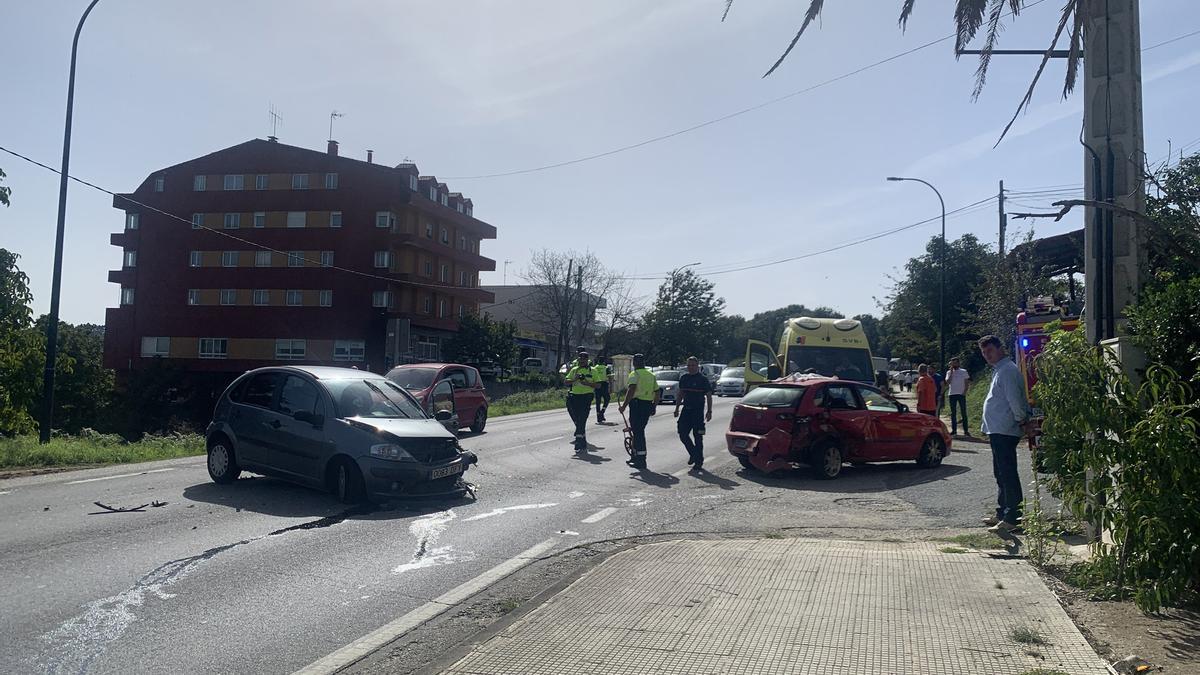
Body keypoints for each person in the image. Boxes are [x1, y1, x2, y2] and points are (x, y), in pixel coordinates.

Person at [978, 335, 1033, 533]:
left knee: (1007, 473)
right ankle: (1002, 513)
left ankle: (1013, 517)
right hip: (997, 429)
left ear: (1000, 348)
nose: (987, 356)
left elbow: (1014, 400)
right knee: (1000, 473)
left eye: (990, 350)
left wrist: (1021, 420)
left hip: (1005, 430)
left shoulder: (1007, 371)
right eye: (984, 353)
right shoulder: (999, 370)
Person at [618, 353, 657, 469]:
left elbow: (631, 389)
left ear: (634, 363)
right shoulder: (651, 375)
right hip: (647, 405)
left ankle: (641, 459)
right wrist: (654, 406)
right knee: (638, 430)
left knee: (638, 432)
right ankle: (635, 456)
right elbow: (658, 392)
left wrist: (624, 406)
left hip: (637, 405)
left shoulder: (634, 374)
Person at [674, 356, 714, 470]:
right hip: (686, 410)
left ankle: (699, 461)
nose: (691, 367)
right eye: (689, 365)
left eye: (693, 365)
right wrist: (677, 408)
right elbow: (680, 394)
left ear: (698, 366)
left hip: (698, 412)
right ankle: (693, 453)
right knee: (682, 433)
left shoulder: (703, 379)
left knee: (698, 437)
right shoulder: (684, 378)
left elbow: (709, 396)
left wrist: (709, 411)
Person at [565, 351, 598, 452]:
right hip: (575, 396)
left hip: (586, 397)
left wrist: (587, 383)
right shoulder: (574, 370)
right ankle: (583, 442)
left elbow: (598, 385)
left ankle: (579, 441)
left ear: (587, 360)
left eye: (584, 359)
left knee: (582, 418)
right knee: (577, 418)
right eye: (580, 359)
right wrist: (574, 379)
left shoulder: (593, 371)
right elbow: (566, 382)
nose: (582, 361)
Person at [945, 357, 972, 437]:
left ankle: (966, 430)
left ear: (958, 363)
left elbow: (966, 382)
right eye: (953, 363)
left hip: (961, 394)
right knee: (953, 413)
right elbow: (948, 382)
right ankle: (954, 430)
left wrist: (964, 392)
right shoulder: (949, 372)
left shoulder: (963, 371)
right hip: (952, 394)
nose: (954, 364)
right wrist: (952, 373)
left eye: (956, 363)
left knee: (963, 412)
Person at [593, 356, 613, 424]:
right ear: (604, 361)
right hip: (604, 385)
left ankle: (598, 416)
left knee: (598, 402)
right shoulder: (606, 368)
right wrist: (611, 387)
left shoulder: (595, 368)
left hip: (597, 385)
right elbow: (609, 377)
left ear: (598, 361)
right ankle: (602, 411)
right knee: (607, 399)